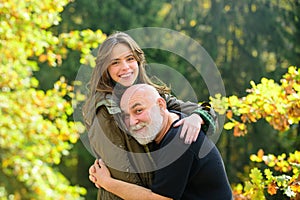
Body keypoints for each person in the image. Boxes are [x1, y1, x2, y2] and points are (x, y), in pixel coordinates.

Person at [82, 32, 217, 199]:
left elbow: (200, 109)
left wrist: (197, 117)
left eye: (130, 59)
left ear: (138, 61)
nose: (125, 67)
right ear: (105, 69)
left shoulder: (149, 93)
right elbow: (125, 174)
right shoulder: (105, 111)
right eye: (115, 62)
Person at [89, 84, 232, 200]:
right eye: (126, 116)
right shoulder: (171, 126)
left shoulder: (179, 140)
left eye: (138, 110)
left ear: (161, 105)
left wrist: (107, 182)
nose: (132, 121)